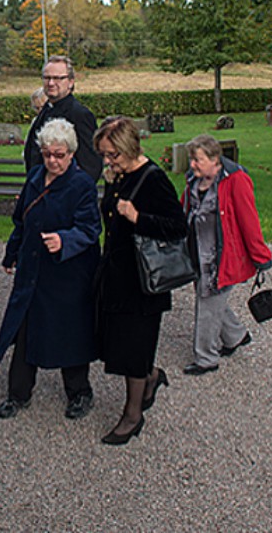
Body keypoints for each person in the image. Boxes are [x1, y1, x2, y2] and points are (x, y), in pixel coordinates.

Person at [0, 118, 101, 420]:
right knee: (25, 331)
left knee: (70, 333)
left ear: (71, 153)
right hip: (33, 270)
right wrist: (11, 253)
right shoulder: (36, 176)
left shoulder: (82, 185)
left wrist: (64, 240)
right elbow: (22, 220)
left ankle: (80, 392)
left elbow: (91, 228)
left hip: (67, 273)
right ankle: (18, 393)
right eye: (47, 154)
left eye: (59, 154)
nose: (52, 160)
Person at [93, 116, 186, 445]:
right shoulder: (119, 175)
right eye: (104, 155)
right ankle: (151, 375)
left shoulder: (153, 179)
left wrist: (138, 218)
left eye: (111, 155)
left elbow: (178, 227)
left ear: (128, 147)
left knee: (134, 347)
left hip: (144, 281)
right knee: (117, 343)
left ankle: (132, 416)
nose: (107, 161)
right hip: (118, 275)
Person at [181, 134, 272, 375]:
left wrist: (261, 257)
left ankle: (206, 358)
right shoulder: (193, 179)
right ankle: (235, 335)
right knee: (211, 300)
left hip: (221, 259)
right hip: (197, 254)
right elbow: (184, 209)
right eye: (192, 159)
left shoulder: (236, 181)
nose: (192, 165)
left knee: (207, 302)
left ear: (214, 159)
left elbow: (249, 220)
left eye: (197, 160)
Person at [23, 55, 102, 181]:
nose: (51, 83)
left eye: (57, 78)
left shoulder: (80, 114)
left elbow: (91, 165)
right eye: (47, 78)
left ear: (70, 82)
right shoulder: (46, 110)